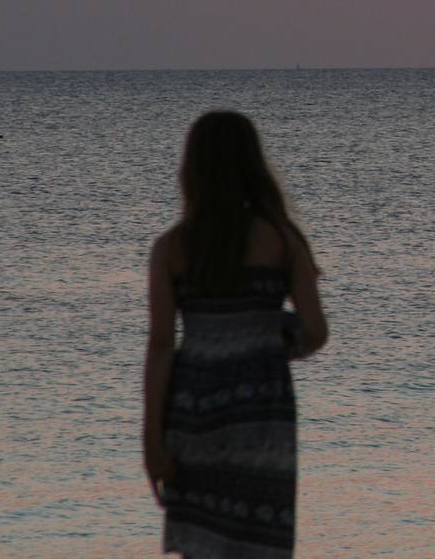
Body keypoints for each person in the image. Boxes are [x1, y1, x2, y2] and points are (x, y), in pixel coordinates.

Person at [144, 109, 329, 558]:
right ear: (254, 166)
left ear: (193, 170)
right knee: (259, 542)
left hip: (195, 404)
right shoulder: (283, 241)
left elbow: (162, 344)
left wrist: (152, 437)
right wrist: (272, 341)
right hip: (260, 409)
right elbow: (316, 331)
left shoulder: (171, 248)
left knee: (204, 542)